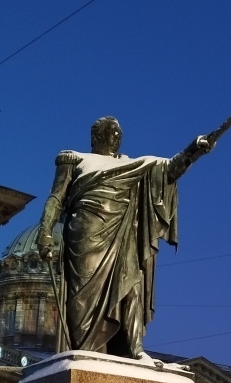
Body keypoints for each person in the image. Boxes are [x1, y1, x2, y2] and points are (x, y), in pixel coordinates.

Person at [36, 116, 214, 358]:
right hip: (86, 233)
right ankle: (87, 351)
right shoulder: (74, 159)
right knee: (83, 299)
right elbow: (57, 198)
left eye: (119, 134)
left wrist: (194, 150)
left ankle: (134, 349)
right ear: (96, 136)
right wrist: (45, 232)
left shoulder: (134, 165)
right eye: (111, 132)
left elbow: (169, 170)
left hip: (123, 233)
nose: (116, 137)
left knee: (131, 285)